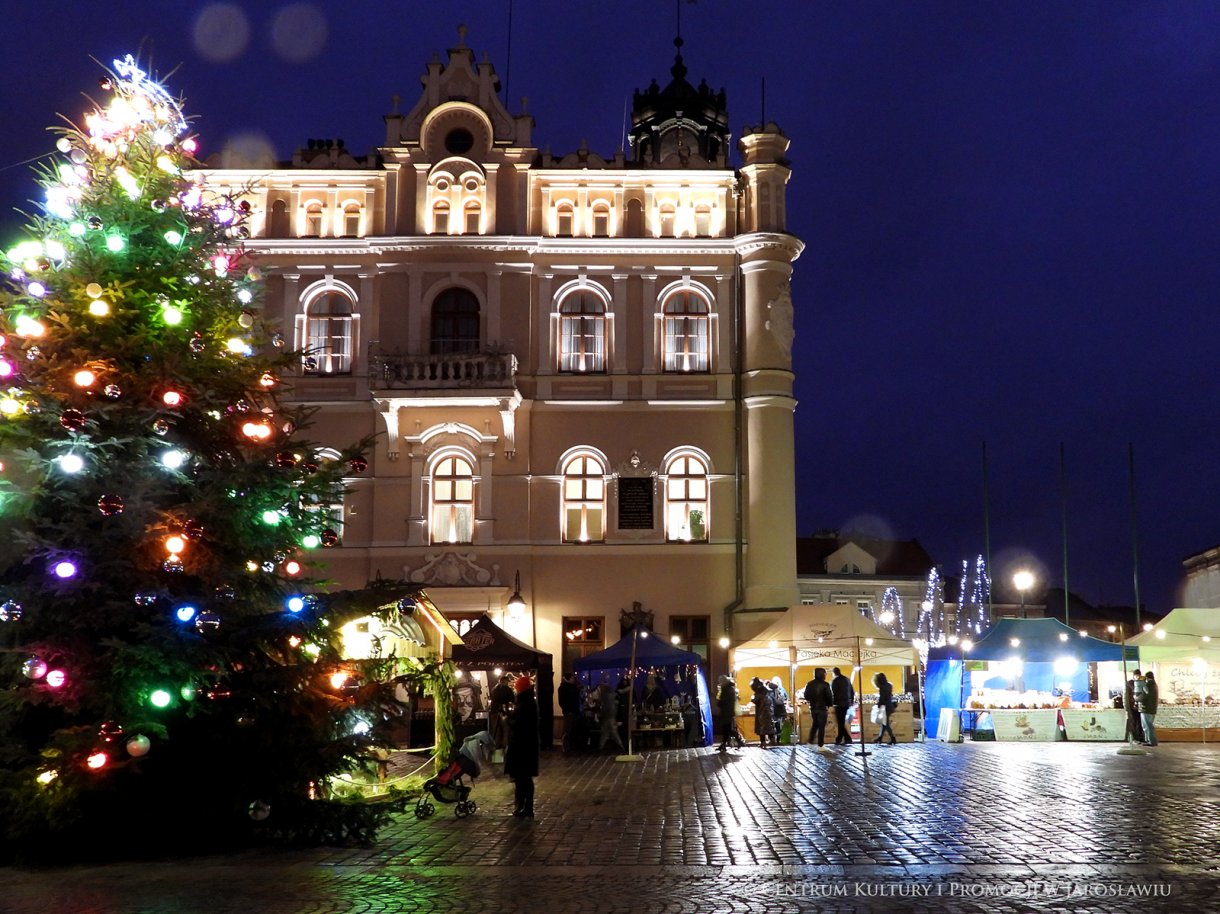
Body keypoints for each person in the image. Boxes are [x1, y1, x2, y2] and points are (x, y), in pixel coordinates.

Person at [504, 675, 540, 818]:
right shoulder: (528, 702)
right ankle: (524, 806)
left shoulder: (525, 704)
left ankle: (525, 806)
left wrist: (508, 720)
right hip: (526, 746)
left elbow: (519, 724)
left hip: (522, 746)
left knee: (522, 778)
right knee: (523, 778)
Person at [802, 667, 833, 747]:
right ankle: (820, 745)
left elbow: (806, 696)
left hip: (813, 708)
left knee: (815, 724)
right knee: (821, 726)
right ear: (822, 674)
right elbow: (829, 696)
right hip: (822, 708)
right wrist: (829, 704)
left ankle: (810, 741)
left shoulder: (810, 684)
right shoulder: (825, 684)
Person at [717, 675, 745, 751]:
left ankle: (739, 740)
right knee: (726, 729)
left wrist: (719, 702)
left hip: (726, 712)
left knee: (727, 729)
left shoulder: (726, 689)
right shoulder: (730, 689)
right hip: (728, 712)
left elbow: (723, 701)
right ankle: (724, 744)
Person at [489, 673, 515, 750]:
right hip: (504, 712)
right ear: (504, 681)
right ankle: (505, 746)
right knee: (506, 729)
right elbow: (512, 699)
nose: (508, 683)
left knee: (496, 730)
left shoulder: (494, 689)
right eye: (507, 681)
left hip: (494, 711)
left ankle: (496, 747)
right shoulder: (507, 689)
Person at [830, 667, 855, 745]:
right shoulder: (847, 679)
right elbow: (852, 691)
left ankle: (842, 738)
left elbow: (832, 693)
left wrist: (831, 702)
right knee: (841, 721)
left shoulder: (834, 681)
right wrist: (851, 700)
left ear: (834, 673)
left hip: (838, 703)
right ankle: (844, 738)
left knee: (840, 721)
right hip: (846, 703)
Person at [557, 673, 582, 752]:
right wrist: (567, 710)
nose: (573, 679)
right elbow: (562, 701)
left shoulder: (573, 687)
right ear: (568, 678)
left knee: (573, 729)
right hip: (569, 712)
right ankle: (566, 746)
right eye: (572, 678)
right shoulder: (563, 688)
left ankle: (572, 745)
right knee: (568, 729)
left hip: (575, 711)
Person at [597, 682, 624, 751]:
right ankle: (620, 745)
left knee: (605, 732)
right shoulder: (614, 695)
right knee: (613, 731)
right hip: (612, 714)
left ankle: (601, 746)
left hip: (606, 715)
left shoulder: (603, 696)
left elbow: (601, 705)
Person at [872, 671, 897, 745]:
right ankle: (880, 738)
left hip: (885, 707)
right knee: (884, 723)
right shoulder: (889, 685)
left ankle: (893, 738)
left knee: (885, 724)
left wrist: (878, 705)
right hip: (889, 706)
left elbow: (882, 698)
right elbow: (889, 695)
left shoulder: (882, 687)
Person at [751, 677, 776, 749]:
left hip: (761, 712)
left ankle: (763, 742)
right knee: (769, 726)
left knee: (761, 727)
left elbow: (755, 701)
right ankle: (772, 740)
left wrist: (752, 698)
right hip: (768, 711)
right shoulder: (766, 691)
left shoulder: (759, 692)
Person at [1136, 670, 1159, 747]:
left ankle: (1151, 741)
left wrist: (1136, 698)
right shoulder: (1155, 685)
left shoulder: (1148, 685)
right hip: (1152, 708)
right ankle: (1149, 740)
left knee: (1147, 726)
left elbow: (1144, 696)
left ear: (1147, 677)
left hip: (1146, 708)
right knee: (1149, 725)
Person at [1124, 669, 1146, 744]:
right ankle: (1135, 737)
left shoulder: (1142, 682)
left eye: (1138, 675)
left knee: (1140, 722)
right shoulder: (1130, 683)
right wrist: (1127, 707)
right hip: (1132, 706)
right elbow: (1126, 695)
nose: (1137, 677)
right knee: (1134, 722)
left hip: (1140, 706)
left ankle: (1140, 737)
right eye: (1136, 675)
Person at [770, 676, 790, 744]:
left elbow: (782, 700)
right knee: (778, 725)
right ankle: (778, 739)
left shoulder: (774, 691)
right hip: (780, 710)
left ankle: (777, 739)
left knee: (777, 725)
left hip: (777, 711)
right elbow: (785, 699)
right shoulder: (779, 690)